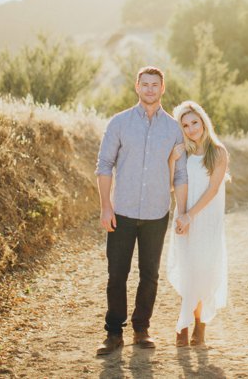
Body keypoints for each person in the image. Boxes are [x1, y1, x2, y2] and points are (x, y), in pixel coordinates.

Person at [95, 66, 188, 355]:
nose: (149, 89)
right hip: (120, 211)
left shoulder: (173, 128)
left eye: (155, 85)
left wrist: (182, 211)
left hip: (156, 213)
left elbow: (181, 174)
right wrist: (106, 206)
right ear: (137, 87)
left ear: (163, 89)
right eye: (144, 84)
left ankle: (141, 329)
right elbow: (103, 165)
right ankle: (113, 333)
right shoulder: (119, 123)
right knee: (117, 274)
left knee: (149, 275)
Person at [166, 101, 229, 348]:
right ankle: (183, 324)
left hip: (206, 218)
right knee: (188, 269)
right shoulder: (183, 152)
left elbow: (213, 189)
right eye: (185, 125)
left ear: (203, 121)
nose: (191, 129)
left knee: (204, 270)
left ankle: (199, 326)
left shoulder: (218, 152)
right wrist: (172, 159)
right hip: (183, 217)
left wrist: (191, 216)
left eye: (194, 122)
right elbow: (171, 185)